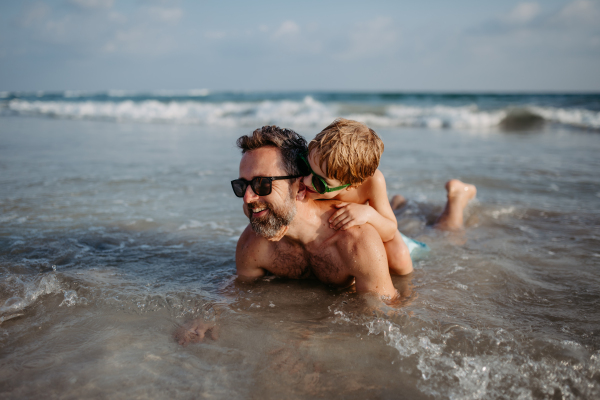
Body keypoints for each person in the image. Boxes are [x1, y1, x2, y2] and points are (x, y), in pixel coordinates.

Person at [301, 118, 414, 276]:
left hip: (368, 224)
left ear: (352, 185)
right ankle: (398, 202)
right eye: (306, 168)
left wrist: (369, 214)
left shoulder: (372, 182)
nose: (305, 180)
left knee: (400, 257)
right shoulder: (317, 164)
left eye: (320, 182)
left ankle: (399, 202)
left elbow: (389, 230)